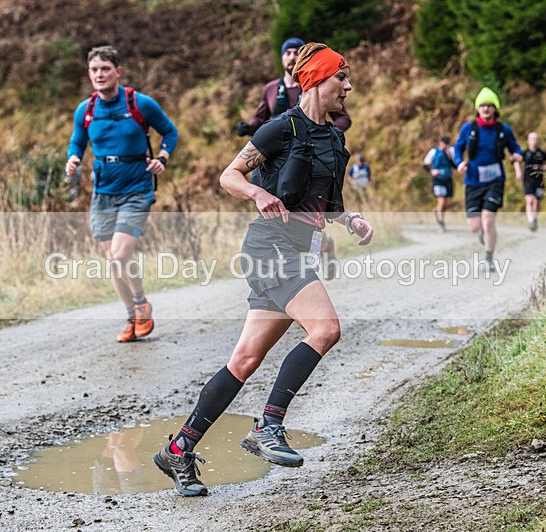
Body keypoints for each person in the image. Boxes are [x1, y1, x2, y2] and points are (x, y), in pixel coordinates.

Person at [154, 43, 373, 497]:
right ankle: (268, 425)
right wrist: (256, 194)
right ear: (315, 79)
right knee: (326, 329)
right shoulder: (281, 128)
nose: (348, 88)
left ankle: (179, 450)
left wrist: (348, 217)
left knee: (245, 361)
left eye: (349, 80)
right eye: (341, 78)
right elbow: (229, 176)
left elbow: (326, 201)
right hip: (271, 247)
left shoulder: (333, 138)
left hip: (300, 250)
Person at [65, 45, 178, 342]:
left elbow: (170, 131)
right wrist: (73, 158)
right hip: (103, 192)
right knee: (111, 258)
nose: (99, 75)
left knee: (120, 253)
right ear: (89, 74)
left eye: (105, 69)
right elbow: (77, 141)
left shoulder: (139, 103)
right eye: (94, 70)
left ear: (118, 71)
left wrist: (162, 158)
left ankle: (141, 303)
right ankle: (132, 317)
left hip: (136, 189)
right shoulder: (86, 110)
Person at [235, 37, 351, 276]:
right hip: (275, 160)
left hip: (310, 161)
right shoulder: (272, 93)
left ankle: (323, 244)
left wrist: (327, 138)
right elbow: (262, 122)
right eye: (287, 52)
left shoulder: (327, 100)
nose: (348, 86)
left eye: (296, 52)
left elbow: (342, 119)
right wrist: (248, 128)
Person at [453, 87, 523, 272]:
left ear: (495, 109)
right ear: (477, 109)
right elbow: (457, 149)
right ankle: (482, 234)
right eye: (482, 105)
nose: (485, 109)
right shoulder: (468, 128)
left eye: (489, 105)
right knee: (475, 226)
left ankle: (489, 258)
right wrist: (459, 163)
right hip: (473, 180)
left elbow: (516, 148)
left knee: (488, 219)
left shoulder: (503, 130)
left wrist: (517, 155)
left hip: (495, 180)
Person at [519, 132, 546, 232]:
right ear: (528, 141)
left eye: (536, 139)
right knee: (530, 200)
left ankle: (535, 218)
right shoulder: (525, 153)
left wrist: (543, 167)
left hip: (539, 181)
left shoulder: (541, 153)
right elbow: (517, 161)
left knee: (537, 203)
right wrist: (519, 172)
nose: (534, 141)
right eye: (532, 139)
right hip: (528, 180)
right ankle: (531, 221)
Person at [423, 136, 456, 232]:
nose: (444, 146)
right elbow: (425, 165)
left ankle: (437, 211)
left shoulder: (451, 151)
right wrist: (431, 171)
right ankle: (441, 223)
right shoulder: (434, 152)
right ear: (440, 143)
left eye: (446, 144)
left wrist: (450, 158)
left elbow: (455, 165)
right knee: (441, 201)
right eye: (443, 144)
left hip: (448, 179)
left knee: (446, 203)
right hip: (438, 180)